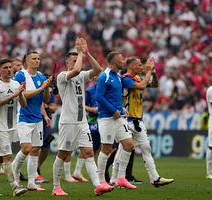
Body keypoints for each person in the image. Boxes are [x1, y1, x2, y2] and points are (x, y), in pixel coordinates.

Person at [52, 37, 111, 196]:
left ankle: (97, 185)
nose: (77, 61)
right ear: (67, 63)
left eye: (77, 59)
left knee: (89, 152)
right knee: (63, 154)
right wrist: (79, 53)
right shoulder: (62, 76)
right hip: (68, 122)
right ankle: (56, 187)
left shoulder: (82, 75)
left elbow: (98, 69)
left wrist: (86, 53)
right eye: (73, 60)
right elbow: (76, 70)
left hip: (82, 122)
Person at [110, 56, 174, 187]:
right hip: (126, 120)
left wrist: (154, 72)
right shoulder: (125, 79)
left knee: (146, 148)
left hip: (138, 121)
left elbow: (154, 85)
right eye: (139, 65)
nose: (141, 67)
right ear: (132, 67)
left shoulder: (137, 78)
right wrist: (149, 71)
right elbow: (141, 86)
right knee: (122, 150)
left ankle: (155, 179)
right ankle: (113, 179)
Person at [0, 58, 27, 196]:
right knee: (7, 156)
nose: (9, 70)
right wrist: (13, 94)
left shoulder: (15, 83)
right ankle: (15, 187)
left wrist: (20, 93)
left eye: (10, 67)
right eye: (6, 68)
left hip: (11, 125)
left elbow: (24, 104)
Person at [95, 51, 136, 190]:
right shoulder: (104, 76)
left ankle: (121, 177)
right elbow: (99, 97)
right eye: (121, 59)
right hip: (107, 118)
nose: (123, 61)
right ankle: (101, 181)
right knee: (106, 149)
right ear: (114, 62)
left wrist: (121, 108)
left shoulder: (118, 76)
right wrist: (113, 110)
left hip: (119, 117)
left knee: (129, 145)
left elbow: (115, 96)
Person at [12, 51, 52, 191]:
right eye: (34, 59)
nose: (37, 61)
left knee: (35, 150)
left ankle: (31, 182)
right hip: (24, 117)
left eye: (38, 58)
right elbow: (21, 94)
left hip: (37, 118)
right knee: (26, 148)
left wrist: (47, 89)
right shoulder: (21, 75)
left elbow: (45, 100)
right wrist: (40, 88)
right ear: (27, 62)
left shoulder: (41, 76)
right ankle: (15, 171)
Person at [10, 57, 28, 182]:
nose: (19, 67)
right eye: (16, 65)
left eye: (20, 65)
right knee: (5, 149)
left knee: (27, 147)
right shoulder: (8, 82)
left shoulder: (20, 83)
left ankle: (15, 170)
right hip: (8, 119)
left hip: (19, 117)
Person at [35, 92, 57, 183]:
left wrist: (47, 107)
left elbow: (53, 108)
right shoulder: (34, 90)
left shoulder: (49, 94)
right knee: (32, 148)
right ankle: (32, 173)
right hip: (33, 120)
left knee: (46, 147)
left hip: (45, 123)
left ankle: (37, 167)